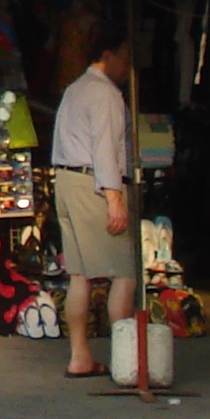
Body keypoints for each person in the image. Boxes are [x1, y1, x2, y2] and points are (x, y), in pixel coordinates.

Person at [48, 34, 136, 380]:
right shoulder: (106, 95)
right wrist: (114, 199)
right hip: (92, 184)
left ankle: (80, 356)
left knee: (80, 275)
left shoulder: (75, 89)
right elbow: (104, 150)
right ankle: (127, 360)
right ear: (108, 54)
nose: (129, 68)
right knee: (124, 273)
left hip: (67, 182)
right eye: (125, 57)